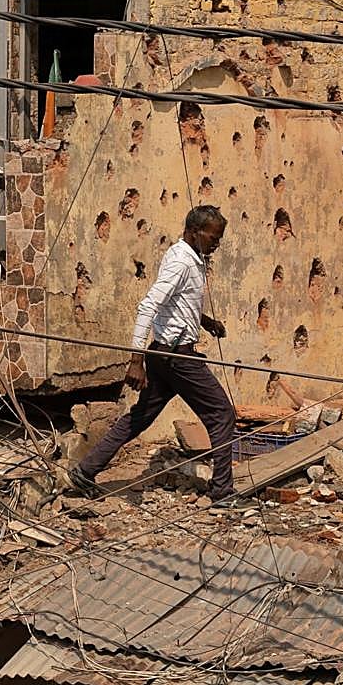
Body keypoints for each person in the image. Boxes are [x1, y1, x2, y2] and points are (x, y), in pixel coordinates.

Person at [69, 205, 238, 504]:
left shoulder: (187, 256)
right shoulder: (182, 262)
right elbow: (148, 306)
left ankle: (86, 470)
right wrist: (135, 361)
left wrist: (206, 321)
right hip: (176, 357)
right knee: (221, 413)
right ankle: (222, 492)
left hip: (164, 355)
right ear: (195, 232)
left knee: (139, 418)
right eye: (214, 237)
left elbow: (179, 303)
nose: (217, 244)